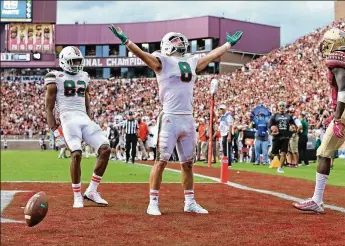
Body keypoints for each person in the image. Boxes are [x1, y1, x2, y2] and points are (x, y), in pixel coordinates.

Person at [109, 24, 243, 215]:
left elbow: (210, 56)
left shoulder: (191, 61)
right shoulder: (161, 61)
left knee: (188, 163)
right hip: (170, 117)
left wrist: (228, 45)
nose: (180, 42)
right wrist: (126, 41)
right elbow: (142, 55)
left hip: (188, 118)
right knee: (161, 161)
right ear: (166, 45)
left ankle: (190, 201)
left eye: (180, 40)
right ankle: (153, 202)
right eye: (175, 40)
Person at [293, 28, 345, 215]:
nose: (325, 46)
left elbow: (344, 89)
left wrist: (338, 117)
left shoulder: (337, 58)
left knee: (323, 153)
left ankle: (317, 200)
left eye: (328, 42)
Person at [45, 46, 111, 208]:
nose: (75, 64)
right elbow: (49, 108)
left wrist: (90, 118)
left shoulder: (85, 76)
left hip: (83, 118)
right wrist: (55, 131)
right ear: (64, 61)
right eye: (72, 61)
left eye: (78, 61)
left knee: (105, 149)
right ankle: (77, 196)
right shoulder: (54, 77)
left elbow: (87, 100)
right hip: (68, 118)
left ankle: (92, 191)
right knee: (76, 154)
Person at [268, 101, 295, 173]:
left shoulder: (288, 116)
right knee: (273, 153)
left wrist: (292, 131)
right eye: (280, 106)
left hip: (285, 137)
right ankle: (270, 155)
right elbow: (270, 126)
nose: (282, 107)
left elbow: (293, 125)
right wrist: (271, 133)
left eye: (283, 106)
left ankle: (279, 168)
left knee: (283, 153)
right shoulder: (274, 116)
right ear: (278, 107)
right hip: (276, 137)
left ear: (285, 107)